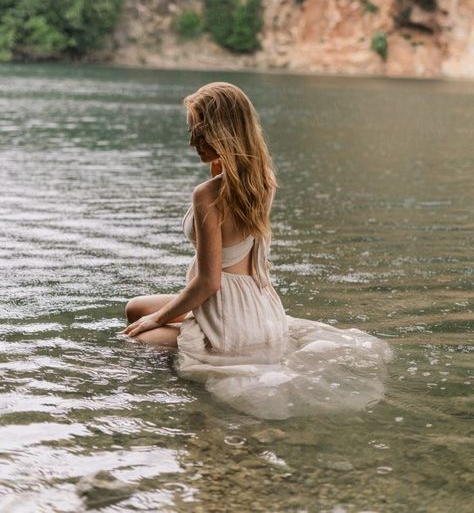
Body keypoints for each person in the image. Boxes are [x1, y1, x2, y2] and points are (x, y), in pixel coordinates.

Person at [122, 82, 391, 419]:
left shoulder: (207, 195)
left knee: (138, 338)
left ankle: (189, 394)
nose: (192, 142)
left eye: (199, 133)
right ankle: (191, 352)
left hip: (227, 312)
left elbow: (209, 283)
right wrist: (152, 316)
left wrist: (158, 319)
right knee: (136, 309)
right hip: (260, 307)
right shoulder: (263, 179)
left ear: (222, 132)